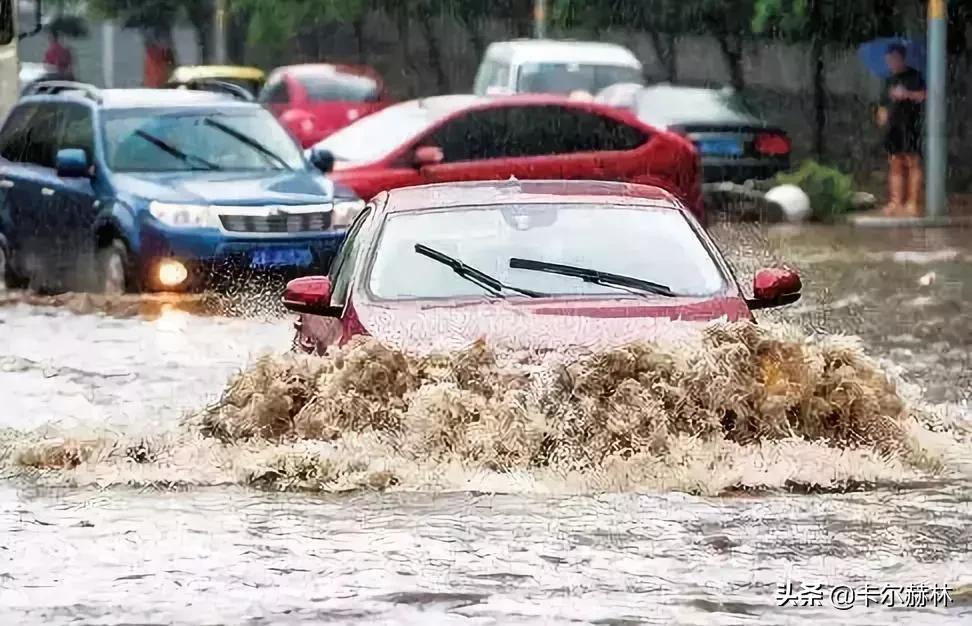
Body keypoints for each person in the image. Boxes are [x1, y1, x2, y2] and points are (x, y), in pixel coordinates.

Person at [876, 43, 926, 217]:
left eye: (894, 59)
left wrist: (907, 94)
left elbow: (924, 96)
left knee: (912, 163)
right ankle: (895, 202)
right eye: (889, 60)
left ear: (901, 59)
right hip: (893, 127)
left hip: (910, 125)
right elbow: (883, 103)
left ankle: (912, 203)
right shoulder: (888, 80)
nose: (891, 63)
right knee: (895, 164)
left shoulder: (914, 76)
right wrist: (881, 115)